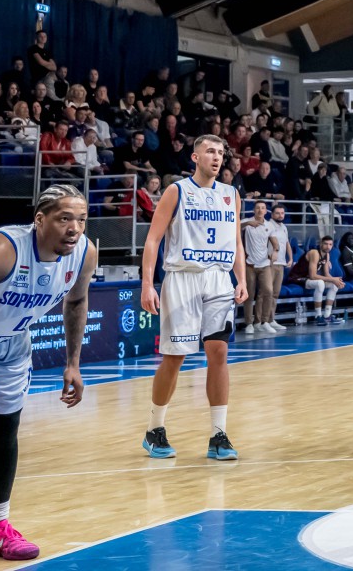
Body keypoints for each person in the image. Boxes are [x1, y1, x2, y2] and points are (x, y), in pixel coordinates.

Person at [0, 186, 95, 569]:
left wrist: (73, 363)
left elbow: (76, 300)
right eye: (64, 218)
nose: (74, 228)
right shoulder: (1, 249)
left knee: (6, 430)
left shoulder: (85, 252)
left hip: (13, 343)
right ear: (39, 220)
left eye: (81, 219)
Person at [139, 135, 248, 462]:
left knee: (219, 352)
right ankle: (154, 428)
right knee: (175, 357)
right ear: (195, 157)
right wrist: (147, 284)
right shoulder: (177, 191)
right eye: (210, 151)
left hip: (218, 279)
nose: (216, 157)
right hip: (182, 277)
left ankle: (219, 434)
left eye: (220, 153)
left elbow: (237, 241)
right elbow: (153, 239)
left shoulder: (231, 194)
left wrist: (241, 279)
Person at [241, 201, 279, 333]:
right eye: (258, 208)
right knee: (249, 294)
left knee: (268, 291)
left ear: (266, 211)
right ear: (254, 210)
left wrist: (275, 251)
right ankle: (249, 324)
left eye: (263, 208)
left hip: (264, 264)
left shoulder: (269, 225)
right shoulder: (246, 222)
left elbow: (275, 243)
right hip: (249, 264)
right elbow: (234, 226)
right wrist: (247, 223)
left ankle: (264, 322)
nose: (260, 210)